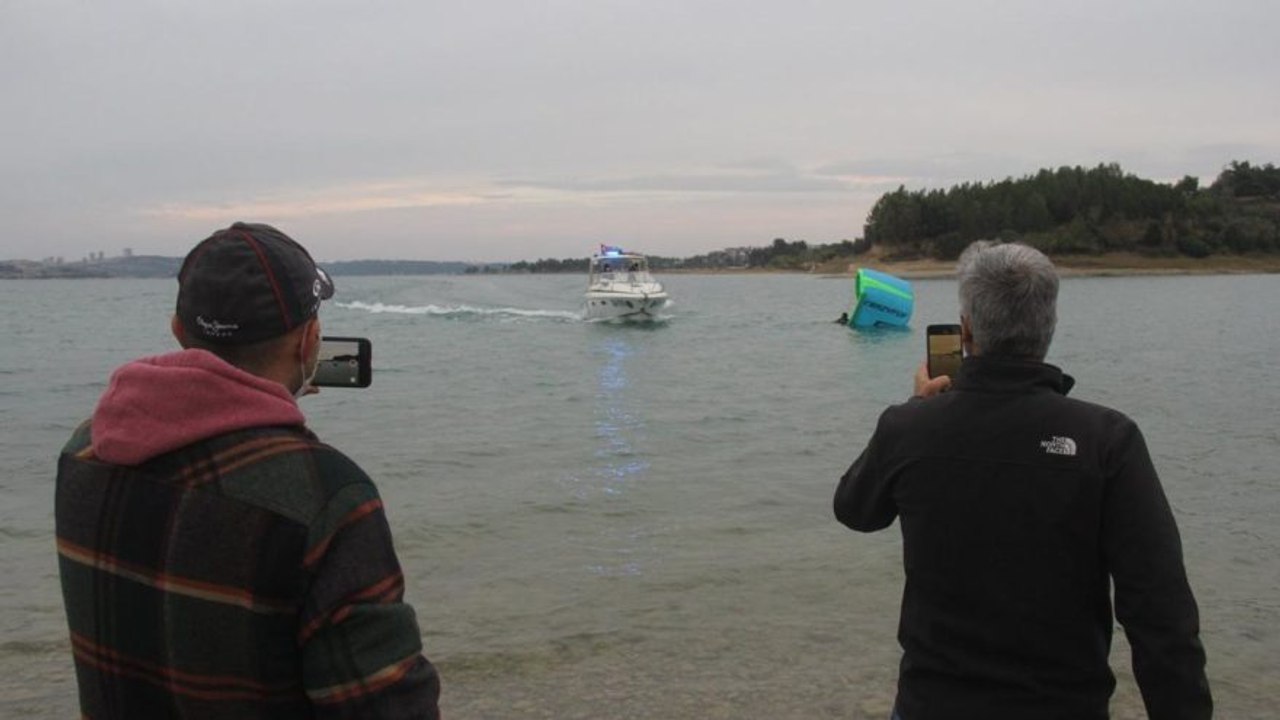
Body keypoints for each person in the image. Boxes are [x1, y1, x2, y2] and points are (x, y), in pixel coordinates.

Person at [55, 222, 441, 718]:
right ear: (310, 343)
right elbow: (388, 705)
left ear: (179, 333)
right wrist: (281, 435)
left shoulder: (85, 450)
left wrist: (260, 417)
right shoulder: (327, 497)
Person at [833, 241, 1211, 720]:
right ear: (1048, 325)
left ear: (966, 330)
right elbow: (1160, 613)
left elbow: (854, 510)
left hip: (933, 705)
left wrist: (915, 413)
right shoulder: (1107, 439)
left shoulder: (910, 428)